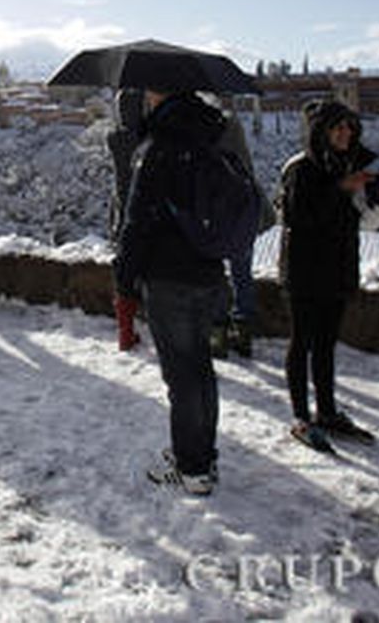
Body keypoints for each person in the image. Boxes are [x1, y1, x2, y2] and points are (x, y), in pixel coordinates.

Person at [115, 87, 232, 496]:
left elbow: (137, 221)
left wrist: (124, 280)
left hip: (167, 275)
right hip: (208, 271)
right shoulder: (208, 139)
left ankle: (192, 468)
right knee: (200, 367)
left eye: (149, 91)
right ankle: (203, 453)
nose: (144, 98)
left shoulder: (159, 149)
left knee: (180, 376)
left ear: (159, 95)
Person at [278, 100, 376, 452]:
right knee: (302, 341)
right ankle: (301, 416)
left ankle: (328, 410)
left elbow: (358, 220)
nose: (345, 134)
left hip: (336, 267)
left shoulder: (347, 165)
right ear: (321, 131)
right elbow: (299, 219)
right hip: (305, 270)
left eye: (349, 127)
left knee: (325, 345)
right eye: (337, 128)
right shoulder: (301, 168)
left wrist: (370, 199)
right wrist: (340, 191)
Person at [212, 102, 271, 360]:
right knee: (242, 274)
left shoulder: (208, 137)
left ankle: (218, 334)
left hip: (216, 214)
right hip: (243, 214)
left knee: (215, 275)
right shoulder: (234, 131)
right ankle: (243, 333)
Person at [107, 89, 145, 351]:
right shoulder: (148, 138)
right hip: (146, 212)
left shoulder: (115, 138)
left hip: (123, 213)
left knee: (124, 276)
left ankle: (125, 332)